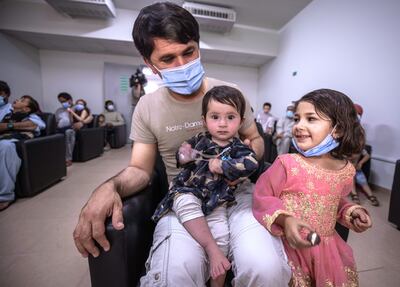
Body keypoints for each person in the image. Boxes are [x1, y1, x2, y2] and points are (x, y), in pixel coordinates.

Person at [73, 2, 291, 287]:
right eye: (168, 59)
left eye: (189, 52)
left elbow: (255, 139)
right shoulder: (147, 107)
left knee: (267, 271)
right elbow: (140, 168)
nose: (182, 65)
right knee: (174, 278)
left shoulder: (230, 93)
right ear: (150, 63)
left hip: (237, 198)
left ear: (198, 46)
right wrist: (108, 186)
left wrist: (241, 164)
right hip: (187, 202)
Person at [253, 89, 372, 286]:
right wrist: (286, 219)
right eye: (297, 119)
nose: (299, 126)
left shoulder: (346, 170)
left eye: (311, 119)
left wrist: (351, 211)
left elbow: (334, 200)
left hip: (325, 249)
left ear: (338, 129)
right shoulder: (287, 163)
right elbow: (262, 197)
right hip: (288, 246)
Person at [152, 86, 259, 286]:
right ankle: (211, 248)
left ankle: (217, 275)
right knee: (184, 202)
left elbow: (251, 163)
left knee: (223, 236)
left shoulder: (238, 148)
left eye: (230, 117)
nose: (222, 124)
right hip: (188, 190)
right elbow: (181, 156)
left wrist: (224, 165)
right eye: (215, 117)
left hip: (217, 200)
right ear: (204, 120)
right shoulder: (198, 140)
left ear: (241, 122)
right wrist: (184, 155)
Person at [0, 95, 45, 210]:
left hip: (17, 142)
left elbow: (36, 125)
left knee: (5, 146)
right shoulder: (6, 115)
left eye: (22, 100)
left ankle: (5, 196)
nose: (17, 100)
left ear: (26, 109)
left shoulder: (31, 116)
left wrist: (8, 126)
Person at [350, 103, 379, 206]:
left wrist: (360, 163)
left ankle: (371, 195)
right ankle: (354, 194)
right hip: (347, 168)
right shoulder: (345, 146)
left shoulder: (360, 147)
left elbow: (366, 155)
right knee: (351, 176)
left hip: (356, 167)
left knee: (361, 178)